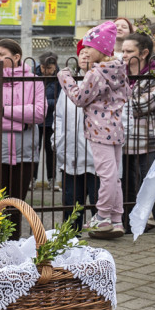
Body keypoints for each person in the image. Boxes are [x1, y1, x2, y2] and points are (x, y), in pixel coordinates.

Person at [57, 21, 129, 239]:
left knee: (106, 175)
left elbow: (79, 98)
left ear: (101, 49)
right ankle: (117, 219)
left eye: (89, 47)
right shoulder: (118, 69)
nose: (85, 51)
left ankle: (103, 215)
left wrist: (65, 78)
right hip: (116, 128)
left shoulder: (96, 73)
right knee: (114, 176)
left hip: (99, 130)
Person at [0, 39, 46, 238]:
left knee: (17, 205)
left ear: (16, 57)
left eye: (1, 54)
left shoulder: (34, 80)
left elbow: (39, 113)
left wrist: (4, 111)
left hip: (25, 152)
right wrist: (21, 123)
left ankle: (14, 245)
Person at [120, 31, 155, 233]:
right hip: (123, 140)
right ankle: (128, 227)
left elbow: (142, 105)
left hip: (148, 140)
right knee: (126, 187)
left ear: (143, 53)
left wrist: (118, 101)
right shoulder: (118, 74)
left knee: (154, 185)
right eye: (123, 50)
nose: (124, 55)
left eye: (129, 51)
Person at [52, 50, 97, 232]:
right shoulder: (70, 85)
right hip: (71, 154)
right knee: (71, 202)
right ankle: (71, 236)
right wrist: (58, 141)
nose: (85, 56)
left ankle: (100, 235)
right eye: (81, 53)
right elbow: (59, 116)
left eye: (89, 52)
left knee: (98, 202)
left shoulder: (104, 82)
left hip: (97, 157)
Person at [34, 50, 60, 190]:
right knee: (34, 150)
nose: (46, 71)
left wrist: (42, 103)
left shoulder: (61, 77)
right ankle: (32, 179)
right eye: (44, 68)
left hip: (52, 119)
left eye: (49, 68)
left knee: (51, 151)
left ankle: (52, 179)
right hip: (35, 120)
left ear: (55, 66)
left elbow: (60, 99)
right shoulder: (33, 75)